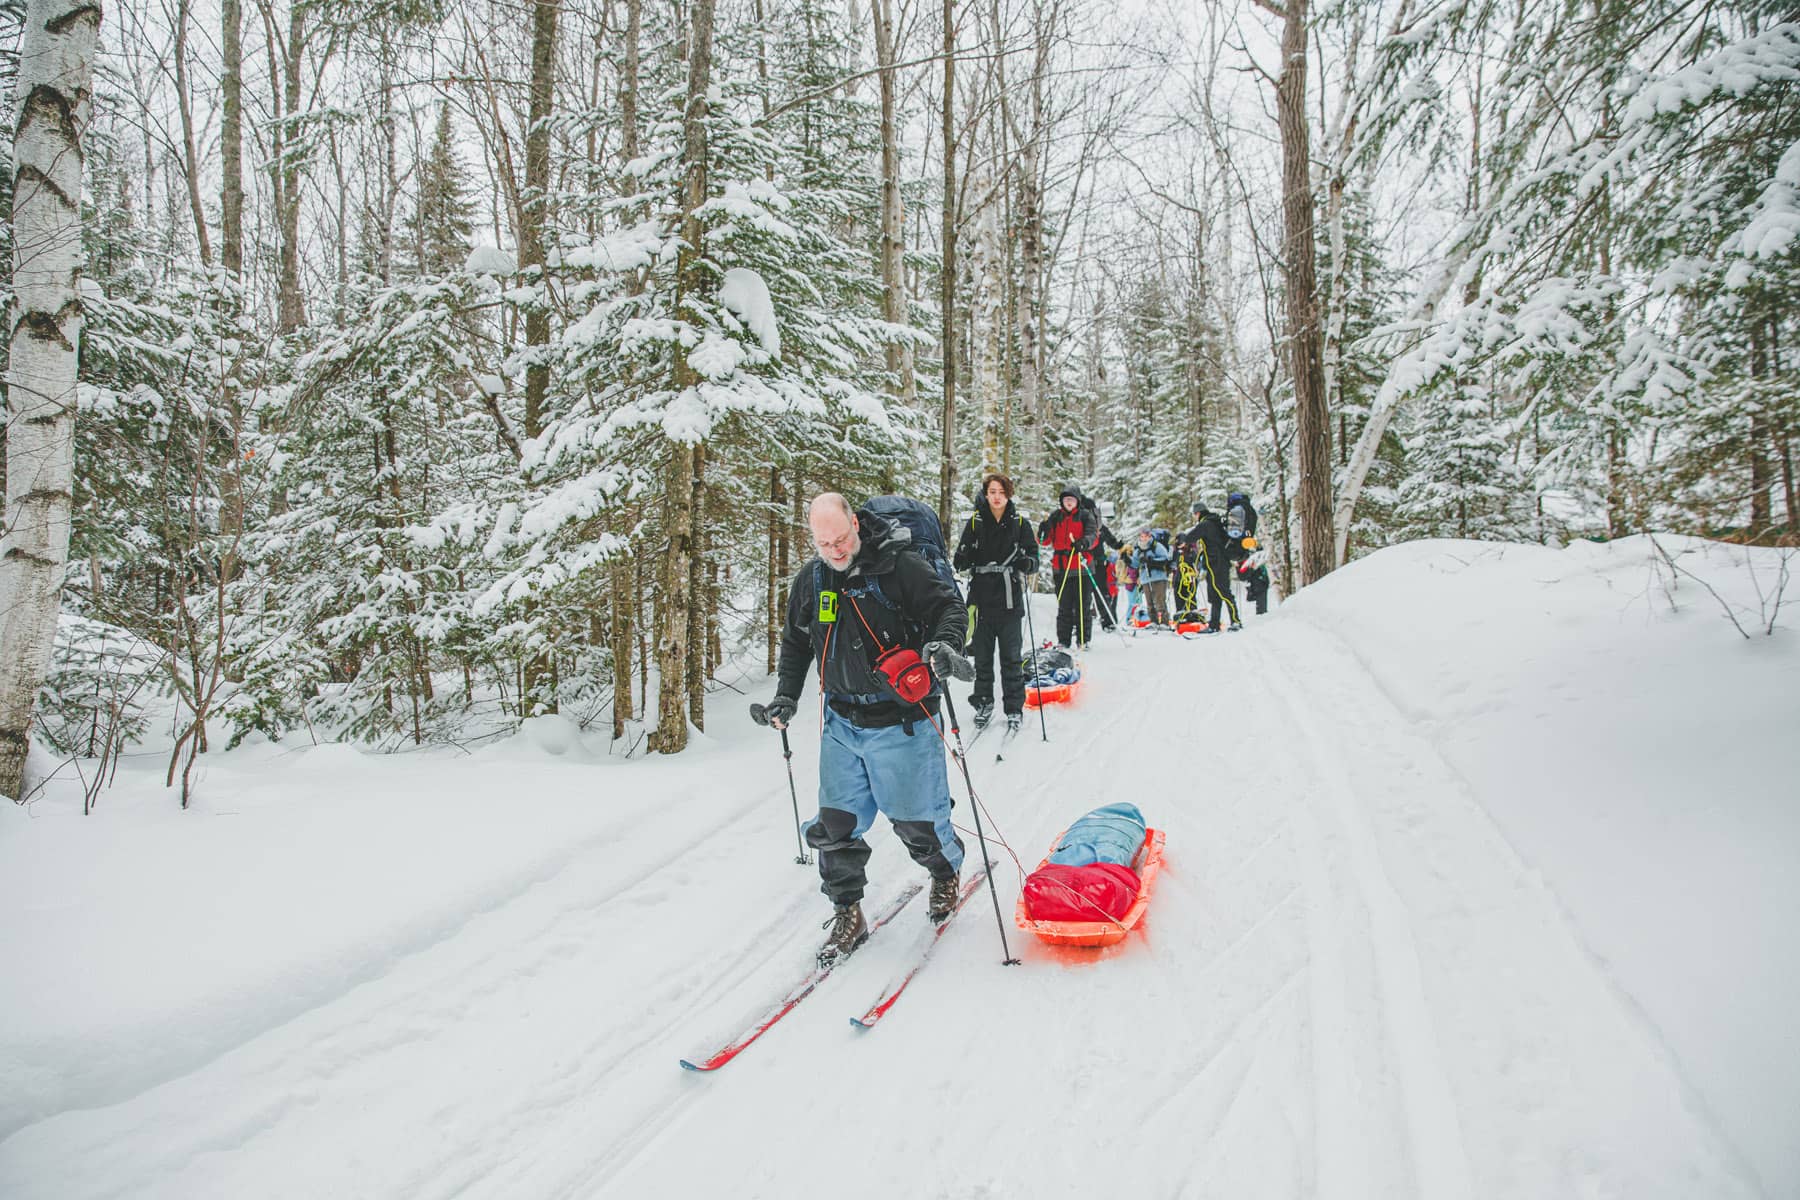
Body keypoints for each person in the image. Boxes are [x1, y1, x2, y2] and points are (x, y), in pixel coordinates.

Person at [757, 492, 976, 965]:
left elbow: (949, 610)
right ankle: (847, 912)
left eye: (840, 539)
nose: (834, 551)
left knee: (917, 825)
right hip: (840, 721)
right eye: (823, 543)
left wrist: (943, 644)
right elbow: (796, 643)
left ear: (855, 523)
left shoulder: (900, 566)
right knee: (834, 827)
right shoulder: (812, 581)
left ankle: (943, 871)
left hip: (903, 721)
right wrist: (786, 697)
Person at [952, 473, 1039, 735]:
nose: (997, 496)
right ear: (986, 494)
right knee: (983, 658)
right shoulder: (976, 522)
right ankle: (983, 703)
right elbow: (959, 559)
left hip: (1010, 599)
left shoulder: (1020, 522)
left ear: (1008, 493)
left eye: (1001, 491)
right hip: (981, 600)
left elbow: (1034, 556)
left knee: (1011, 658)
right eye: (992, 491)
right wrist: (964, 557)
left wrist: (1027, 564)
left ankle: (1013, 707)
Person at [1038, 486, 1100, 648]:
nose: (1069, 503)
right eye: (1066, 500)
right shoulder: (1056, 517)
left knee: (1082, 605)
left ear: (1077, 501)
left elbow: (1093, 536)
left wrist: (1083, 543)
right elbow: (1045, 541)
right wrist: (1042, 531)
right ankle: (1063, 641)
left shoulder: (1085, 516)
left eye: (1072, 500)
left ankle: (1083, 640)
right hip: (1061, 568)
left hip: (1081, 566)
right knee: (1064, 606)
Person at [1182, 500, 1246, 631]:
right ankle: (1214, 624)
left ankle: (1236, 621)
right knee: (1215, 594)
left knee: (1223, 592)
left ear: (1198, 513)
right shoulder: (1214, 522)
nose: (1195, 517)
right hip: (1215, 564)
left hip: (1217, 563)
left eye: (1195, 514)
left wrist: (1182, 542)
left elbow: (1190, 537)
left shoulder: (1206, 524)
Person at [1134, 529, 1172, 625]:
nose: (1144, 539)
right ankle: (1153, 621)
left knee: (1160, 601)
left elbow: (1165, 559)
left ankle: (1164, 622)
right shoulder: (1138, 549)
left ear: (1149, 536)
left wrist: (1151, 561)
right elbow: (1135, 563)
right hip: (1145, 578)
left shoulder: (1156, 546)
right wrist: (1127, 559)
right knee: (1149, 602)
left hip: (1158, 577)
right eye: (1142, 537)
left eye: (1146, 536)